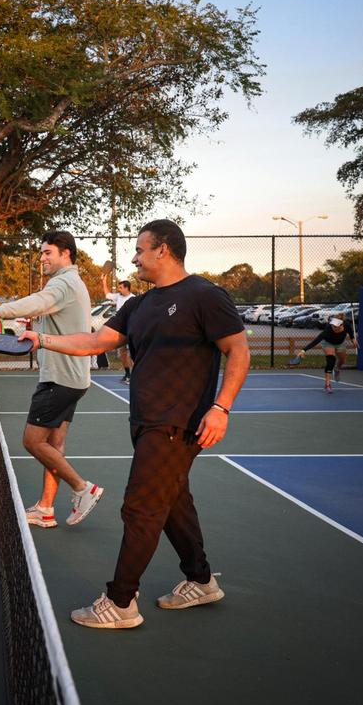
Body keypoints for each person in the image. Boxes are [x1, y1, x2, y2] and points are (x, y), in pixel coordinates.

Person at [19, 219, 249, 629]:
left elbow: (238, 350)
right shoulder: (139, 305)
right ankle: (200, 579)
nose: (134, 257)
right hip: (145, 421)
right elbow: (96, 342)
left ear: (163, 249)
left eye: (140, 250)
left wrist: (222, 407)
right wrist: (42, 341)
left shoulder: (205, 295)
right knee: (174, 501)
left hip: (178, 423)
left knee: (141, 507)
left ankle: (120, 602)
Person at [0, 230, 101, 530]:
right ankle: (46, 509)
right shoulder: (71, 283)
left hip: (59, 378)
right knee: (54, 447)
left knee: (32, 442)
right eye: (42, 253)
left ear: (65, 254)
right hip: (74, 378)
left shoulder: (64, 282)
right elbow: (48, 313)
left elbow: (38, 300)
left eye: (48, 252)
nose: (42, 258)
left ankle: (84, 488)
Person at [298, 315, 358, 393]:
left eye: (336, 326)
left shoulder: (346, 325)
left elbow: (351, 333)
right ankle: (327, 385)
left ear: (341, 325)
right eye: (333, 326)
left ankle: (337, 369)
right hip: (328, 343)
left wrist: (353, 340)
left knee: (342, 361)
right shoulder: (328, 329)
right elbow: (316, 340)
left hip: (340, 343)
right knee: (331, 361)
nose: (334, 328)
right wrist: (303, 351)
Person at [102, 275, 136, 383]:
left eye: (121, 287)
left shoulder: (133, 299)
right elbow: (107, 295)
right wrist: (104, 281)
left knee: (133, 353)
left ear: (126, 288)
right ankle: (128, 375)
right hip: (121, 328)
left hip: (131, 327)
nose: (119, 289)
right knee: (123, 353)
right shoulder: (118, 296)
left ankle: (136, 376)